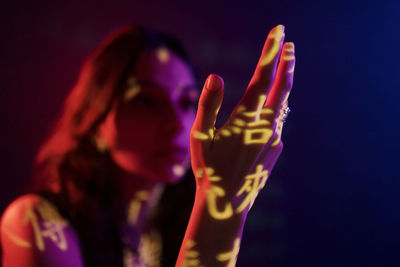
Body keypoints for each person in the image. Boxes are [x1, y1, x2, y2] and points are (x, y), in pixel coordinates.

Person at [0, 24, 295, 267]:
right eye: (146, 101)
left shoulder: (169, 229)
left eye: (186, 102)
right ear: (95, 120)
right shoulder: (36, 223)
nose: (177, 123)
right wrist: (222, 204)